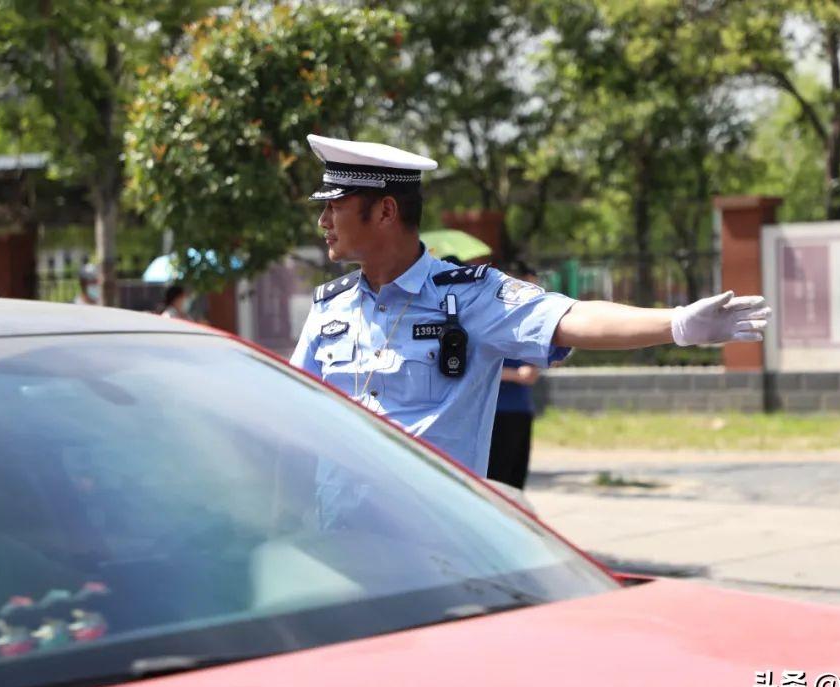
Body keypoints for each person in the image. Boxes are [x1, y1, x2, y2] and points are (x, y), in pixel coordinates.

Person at [290, 134, 770, 482]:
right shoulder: (329, 309)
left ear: (386, 212)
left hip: (433, 552)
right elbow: (288, 414)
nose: (323, 220)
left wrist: (678, 323)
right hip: (340, 544)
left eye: (335, 206)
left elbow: (570, 318)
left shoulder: (470, 297)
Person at [487, 263, 542, 490]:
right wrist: (515, 375)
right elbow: (478, 364)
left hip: (521, 408)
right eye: (528, 286)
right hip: (497, 411)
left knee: (516, 482)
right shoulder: (492, 319)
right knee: (497, 482)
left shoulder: (527, 320)